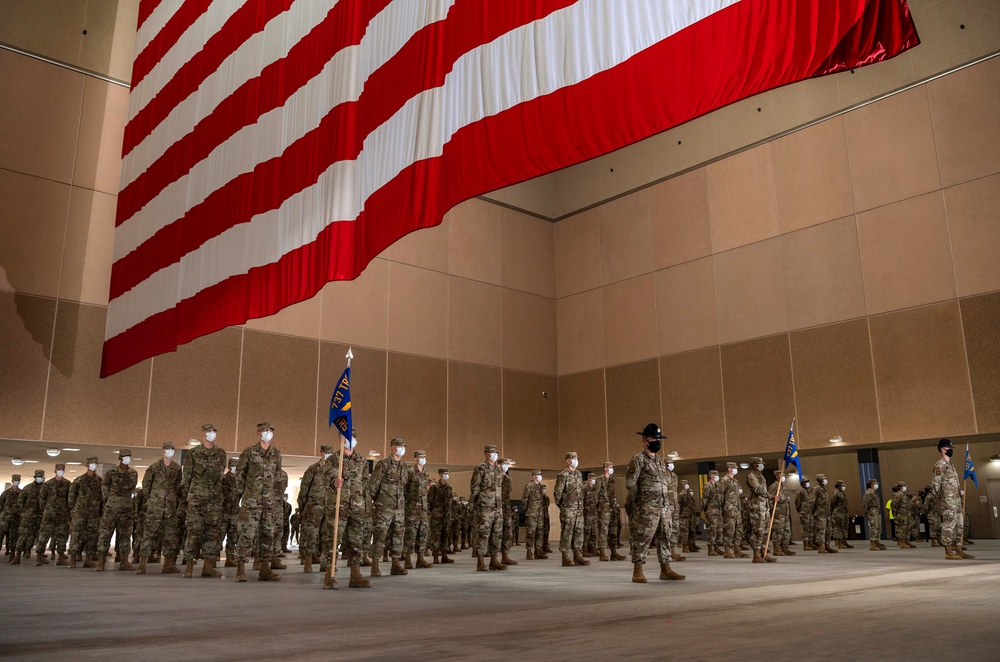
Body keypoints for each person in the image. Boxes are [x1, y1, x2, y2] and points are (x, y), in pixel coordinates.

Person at [626, 423, 684, 583]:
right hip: (646, 508)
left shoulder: (659, 460)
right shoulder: (638, 460)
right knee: (643, 538)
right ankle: (637, 570)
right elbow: (631, 483)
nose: (657, 441)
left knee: (665, 536)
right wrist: (639, 502)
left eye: (659, 439)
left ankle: (665, 569)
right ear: (645, 441)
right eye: (654, 439)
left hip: (663, 507)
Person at [321, 427, 373, 589]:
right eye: (348, 437)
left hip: (357, 507)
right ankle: (329, 574)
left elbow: (365, 483)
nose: (351, 440)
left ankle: (355, 575)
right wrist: (333, 481)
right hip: (339, 506)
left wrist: (365, 504)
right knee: (332, 540)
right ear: (340, 439)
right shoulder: (334, 459)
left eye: (354, 437)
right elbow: (327, 475)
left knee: (356, 541)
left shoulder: (362, 460)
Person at [235, 422, 284, 581]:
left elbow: (278, 477)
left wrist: (276, 500)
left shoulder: (276, 453)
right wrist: (240, 497)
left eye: (270, 430)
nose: (268, 433)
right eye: (265, 430)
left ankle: (265, 569)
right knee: (247, 535)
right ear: (258, 433)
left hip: (269, 503)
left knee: (268, 535)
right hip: (251, 502)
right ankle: (240, 569)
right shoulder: (249, 452)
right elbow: (240, 476)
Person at [182, 424, 228, 578]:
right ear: (203, 434)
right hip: (197, 499)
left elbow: (220, 474)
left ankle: (208, 567)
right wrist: (189, 496)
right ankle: (188, 566)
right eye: (209, 431)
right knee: (193, 531)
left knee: (212, 533)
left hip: (214, 499)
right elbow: (187, 477)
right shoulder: (193, 453)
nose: (212, 434)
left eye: (214, 431)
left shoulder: (221, 453)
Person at [136, 443, 183, 575]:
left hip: (170, 508)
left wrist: (173, 499)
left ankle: (168, 565)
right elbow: (146, 485)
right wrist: (152, 498)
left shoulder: (177, 468)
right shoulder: (154, 467)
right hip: (154, 507)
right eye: (168, 449)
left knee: (169, 536)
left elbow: (178, 485)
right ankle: (142, 564)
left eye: (172, 449)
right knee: (148, 535)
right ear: (162, 451)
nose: (170, 452)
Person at [369, 438, 411, 577]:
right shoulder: (383, 464)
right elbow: (374, 484)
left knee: (398, 535)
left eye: (403, 446)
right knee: (380, 535)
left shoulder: (405, 467)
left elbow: (405, 487)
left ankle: (396, 564)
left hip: (399, 507)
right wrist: (374, 502)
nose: (402, 449)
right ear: (393, 448)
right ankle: (375, 565)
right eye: (400, 446)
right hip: (384, 506)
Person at [932, 439, 973, 560]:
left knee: (959, 525)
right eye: (949, 449)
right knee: (948, 525)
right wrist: (941, 503)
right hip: (947, 502)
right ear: (942, 450)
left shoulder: (951, 464)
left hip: (956, 501)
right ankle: (948, 551)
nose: (951, 451)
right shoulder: (940, 465)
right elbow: (936, 486)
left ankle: (959, 549)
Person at [96, 451, 137, 571]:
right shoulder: (111, 472)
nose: (127, 459)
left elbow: (132, 489)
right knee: (105, 533)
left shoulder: (133, 473)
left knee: (125, 534)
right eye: (125, 457)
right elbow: (104, 487)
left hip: (126, 507)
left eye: (129, 457)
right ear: (120, 458)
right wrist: (110, 500)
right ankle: (101, 562)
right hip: (111, 508)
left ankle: (124, 561)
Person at [298, 445, 337, 573]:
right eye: (326, 453)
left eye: (330, 453)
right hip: (314, 506)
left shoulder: (336, 470)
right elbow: (304, 489)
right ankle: (307, 562)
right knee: (311, 535)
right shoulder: (313, 469)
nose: (328, 455)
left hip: (330, 506)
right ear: (321, 453)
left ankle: (325, 563)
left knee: (328, 535)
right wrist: (302, 507)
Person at [470, 444, 506, 571]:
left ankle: (494, 560)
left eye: (496, 452)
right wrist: (477, 504)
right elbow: (475, 487)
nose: (495, 454)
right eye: (492, 452)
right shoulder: (481, 468)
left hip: (497, 506)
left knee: (497, 534)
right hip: (485, 506)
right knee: (483, 534)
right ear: (486, 454)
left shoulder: (498, 469)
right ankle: (480, 561)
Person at [554, 451, 589, 567]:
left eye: (576, 458)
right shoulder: (563, 475)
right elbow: (557, 492)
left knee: (579, 532)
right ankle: (565, 556)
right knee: (567, 532)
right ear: (568, 460)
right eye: (574, 458)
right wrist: (563, 506)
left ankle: (577, 555)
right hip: (568, 509)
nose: (576, 461)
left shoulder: (578, 474)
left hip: (579, 509)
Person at [67, 459, 102, 568]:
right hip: (80, 513)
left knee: (92, 536)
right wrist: (74, 511)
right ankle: (72, 559)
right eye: (92, 463)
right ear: (87, 465)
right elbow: (71, 497)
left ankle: (88, 559)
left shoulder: (99, 481)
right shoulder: (79, 480)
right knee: (76, 535)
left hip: (94, 513)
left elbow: (102, 498)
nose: (94, 465)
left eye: (96, 463)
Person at [36, 463, 72, 566]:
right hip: (49, 514)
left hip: (62, 514)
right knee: (44, 535)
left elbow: (70, 499)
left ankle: (61, 557)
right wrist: (46, 510)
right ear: (55, 470)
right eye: (59, 469)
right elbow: (42, 499)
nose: (61, 471)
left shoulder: (68, 484)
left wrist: (68, 512)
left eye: (62, 469)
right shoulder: (48, 484)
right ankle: (39, 556)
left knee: (62, 535)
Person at [403, 450, 432, 570]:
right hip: (412, 508)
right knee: (410, 534)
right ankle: (408, 560)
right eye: (421, 457)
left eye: (424, 456)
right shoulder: (410, 472)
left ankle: (420, 559)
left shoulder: (425, 473)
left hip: (423, 508)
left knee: (423, 533)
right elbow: (405, 489)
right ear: (416, 459)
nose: (423, 459)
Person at [745, 457, 776, 563]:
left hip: (764, 507)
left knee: (766, 532)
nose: (762, 465)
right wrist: (771, 496)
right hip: (757, 508)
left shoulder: (761, 476)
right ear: (754, 465)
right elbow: (758, 489)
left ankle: (764, 552)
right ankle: (756, 554)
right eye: (759, 463)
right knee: (758, 531)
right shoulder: (752, 477)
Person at [14, 470, 46, 566]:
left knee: (41, 537)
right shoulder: (28, 488)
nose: (39, 478)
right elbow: (20, 501)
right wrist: (23, 512)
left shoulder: (47, 488)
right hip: (28, 516)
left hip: (41, 516)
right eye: (38, 476)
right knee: (23, 535)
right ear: (35, 477)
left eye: (41, 476)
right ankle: (17, 556)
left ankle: (39, 557)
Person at [720, 462, 747, 559]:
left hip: (737, 509)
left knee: (738, 530)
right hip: (729, 509)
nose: (736, 469)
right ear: (729, 469)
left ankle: (737, 549)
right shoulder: (724, 480)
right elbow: (720, 495)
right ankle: (727, 550)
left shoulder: (735, 481)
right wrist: (722, 509)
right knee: (729, 530)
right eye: (734, 468)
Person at [428, 468, 454, 563]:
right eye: (444, 473)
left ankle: (444, 555)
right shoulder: (435, 487)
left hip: (446, 515)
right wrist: (432, 513)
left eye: (447, 473)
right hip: (437, 515)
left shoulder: (449, 487)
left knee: (445, 535)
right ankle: (435, 556)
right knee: (436, 535)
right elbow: (429, 501)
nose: (446, 475)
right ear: (439, 474)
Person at [521, 469, 547, 560]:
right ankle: (529, 551)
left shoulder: (541, 487)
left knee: (540, 532)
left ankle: (538, 551)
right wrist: (526, 511)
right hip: (531, 513)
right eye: (537, 474)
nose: (539, 476)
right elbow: (524, 499)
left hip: (540, 513)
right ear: (533, 476)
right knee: (530, 533)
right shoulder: (529, 486)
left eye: (540, 474)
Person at [768, 470, 794, 556]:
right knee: (778, 531)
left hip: (785, 512)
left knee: (787, 531)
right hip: (778, 513)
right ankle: (776, 548)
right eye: (781, 475)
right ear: (777, 477)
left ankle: (785, 547)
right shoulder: (774, 487)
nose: (783, 477)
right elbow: (770, 499)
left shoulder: (783, 487)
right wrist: (772, 511)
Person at [498, 458, 518, 566]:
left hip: (506, 508)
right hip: (495, 508)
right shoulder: (494, 476)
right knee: (496, 533)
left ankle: (505, 556)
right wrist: (499, 477)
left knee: (507, 533)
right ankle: (493, 557)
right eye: (504, 464)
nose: (506, 466)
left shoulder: (508, 479)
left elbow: (508, 491)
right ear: (499, 465)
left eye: (507, 465)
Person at [221, 458, 240, 567]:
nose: (235, 468)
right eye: (233, 466)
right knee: (219, 535)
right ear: (229, 467)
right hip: (223, 511)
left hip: (234, 512)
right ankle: (213, 558)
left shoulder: (239, 480)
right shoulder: (223, 479)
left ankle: (229, 558)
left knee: (233, 536)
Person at [811, 474, 836, 554]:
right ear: (819, 480)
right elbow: (812, 502)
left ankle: (827, 546)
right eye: (824, 479)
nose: (825, 480)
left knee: (828, 530)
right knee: (821, 530)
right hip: (820, 513)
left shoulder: (824, 489)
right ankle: (821, 547)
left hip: (827, 513)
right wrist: (814, 512)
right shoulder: (816, 489)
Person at [0, 474, 22, 560]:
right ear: (12, 481)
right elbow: (1, 505)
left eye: (18, 480)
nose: (16, 482)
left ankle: (12, 553)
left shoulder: (21, 493)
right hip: (4, 518)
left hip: (16, 518)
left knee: (14, 536)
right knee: (0, 535)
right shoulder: (6, 493)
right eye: (15, 480)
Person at [862, 479, 885, 550]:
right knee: (874, 527)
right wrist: (865, 511)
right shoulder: (868, 493)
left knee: (878, 527)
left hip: (877, 511)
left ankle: (877, 542)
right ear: (871, 484)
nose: (876, 485)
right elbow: (865, 503)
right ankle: (872, 543)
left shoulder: (874, 492)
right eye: (875, 484)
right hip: (872, 511)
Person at [704, 470, 722, 555]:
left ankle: (716, 547)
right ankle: (710, 548)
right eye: (716, 475)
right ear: (711, 476)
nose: (717, 476)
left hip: (718, 510)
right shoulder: (708, 486)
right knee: (712, 529)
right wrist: (706, 510)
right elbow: (704, 498)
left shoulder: (718, 485)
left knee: (719, 529)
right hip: (711, 511)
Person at [831, 480, 852, 549]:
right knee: (838, 528)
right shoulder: (836, 493)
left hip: (844, 512)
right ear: (839, 486)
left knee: (845, 527)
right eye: (842, 486)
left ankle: (844, 541)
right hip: (838, 512)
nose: (843, 487)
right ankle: (839, 543)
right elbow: (832, 503)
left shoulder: (842, 493)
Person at [795, 476, 815, 551]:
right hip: (804, 512)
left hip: (810, 512)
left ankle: (810, 543)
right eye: (806, 482)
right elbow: (797, 501)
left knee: (810, 527)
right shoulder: (800, 491)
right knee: (805, 528)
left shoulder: (809, 491)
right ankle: (806, 544)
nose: (807, 483)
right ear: (802, 483)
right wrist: (800, 510)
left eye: (808, 482)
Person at [891, 482, 911, 549]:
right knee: (901, 528)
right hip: (901, 514)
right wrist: (896, 513)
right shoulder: (897, 494)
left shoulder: (903, 495)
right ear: (900, 487)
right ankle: (901, 541)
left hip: (906, 514)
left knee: (907, 527)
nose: (905, 487)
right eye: (904, 486)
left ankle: (906, 541)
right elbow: (895, 504)